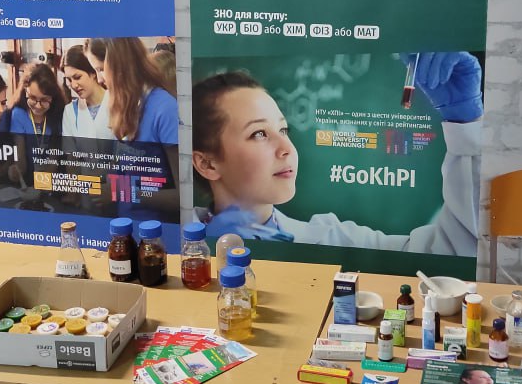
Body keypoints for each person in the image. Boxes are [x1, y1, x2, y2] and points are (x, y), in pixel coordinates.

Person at [190, 51, 482, 254]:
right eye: (259, 134)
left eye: (284, 130)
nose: (287, 149)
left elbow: (452, 251)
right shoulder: (179, 241)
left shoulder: (329, 238)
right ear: (207, 164)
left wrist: (464, 124)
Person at [88, 37, 179, 145]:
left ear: (121, 65)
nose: (99, 80)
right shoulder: (122, 104)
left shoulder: (164, 107)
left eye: (101, 69)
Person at [61, 44, 108, 139]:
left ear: (93, 72)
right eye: (69, 80)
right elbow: (69, 148)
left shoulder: (118, 103)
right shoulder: (70, 112)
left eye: (77, 77)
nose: (73, 85)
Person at [9, 63, 64, 143]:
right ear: (25, 91)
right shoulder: (18, 114)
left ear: (53, 97)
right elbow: (19, 149)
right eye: (32, 98)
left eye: (44, 100)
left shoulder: (60, 114)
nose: (38, 106)